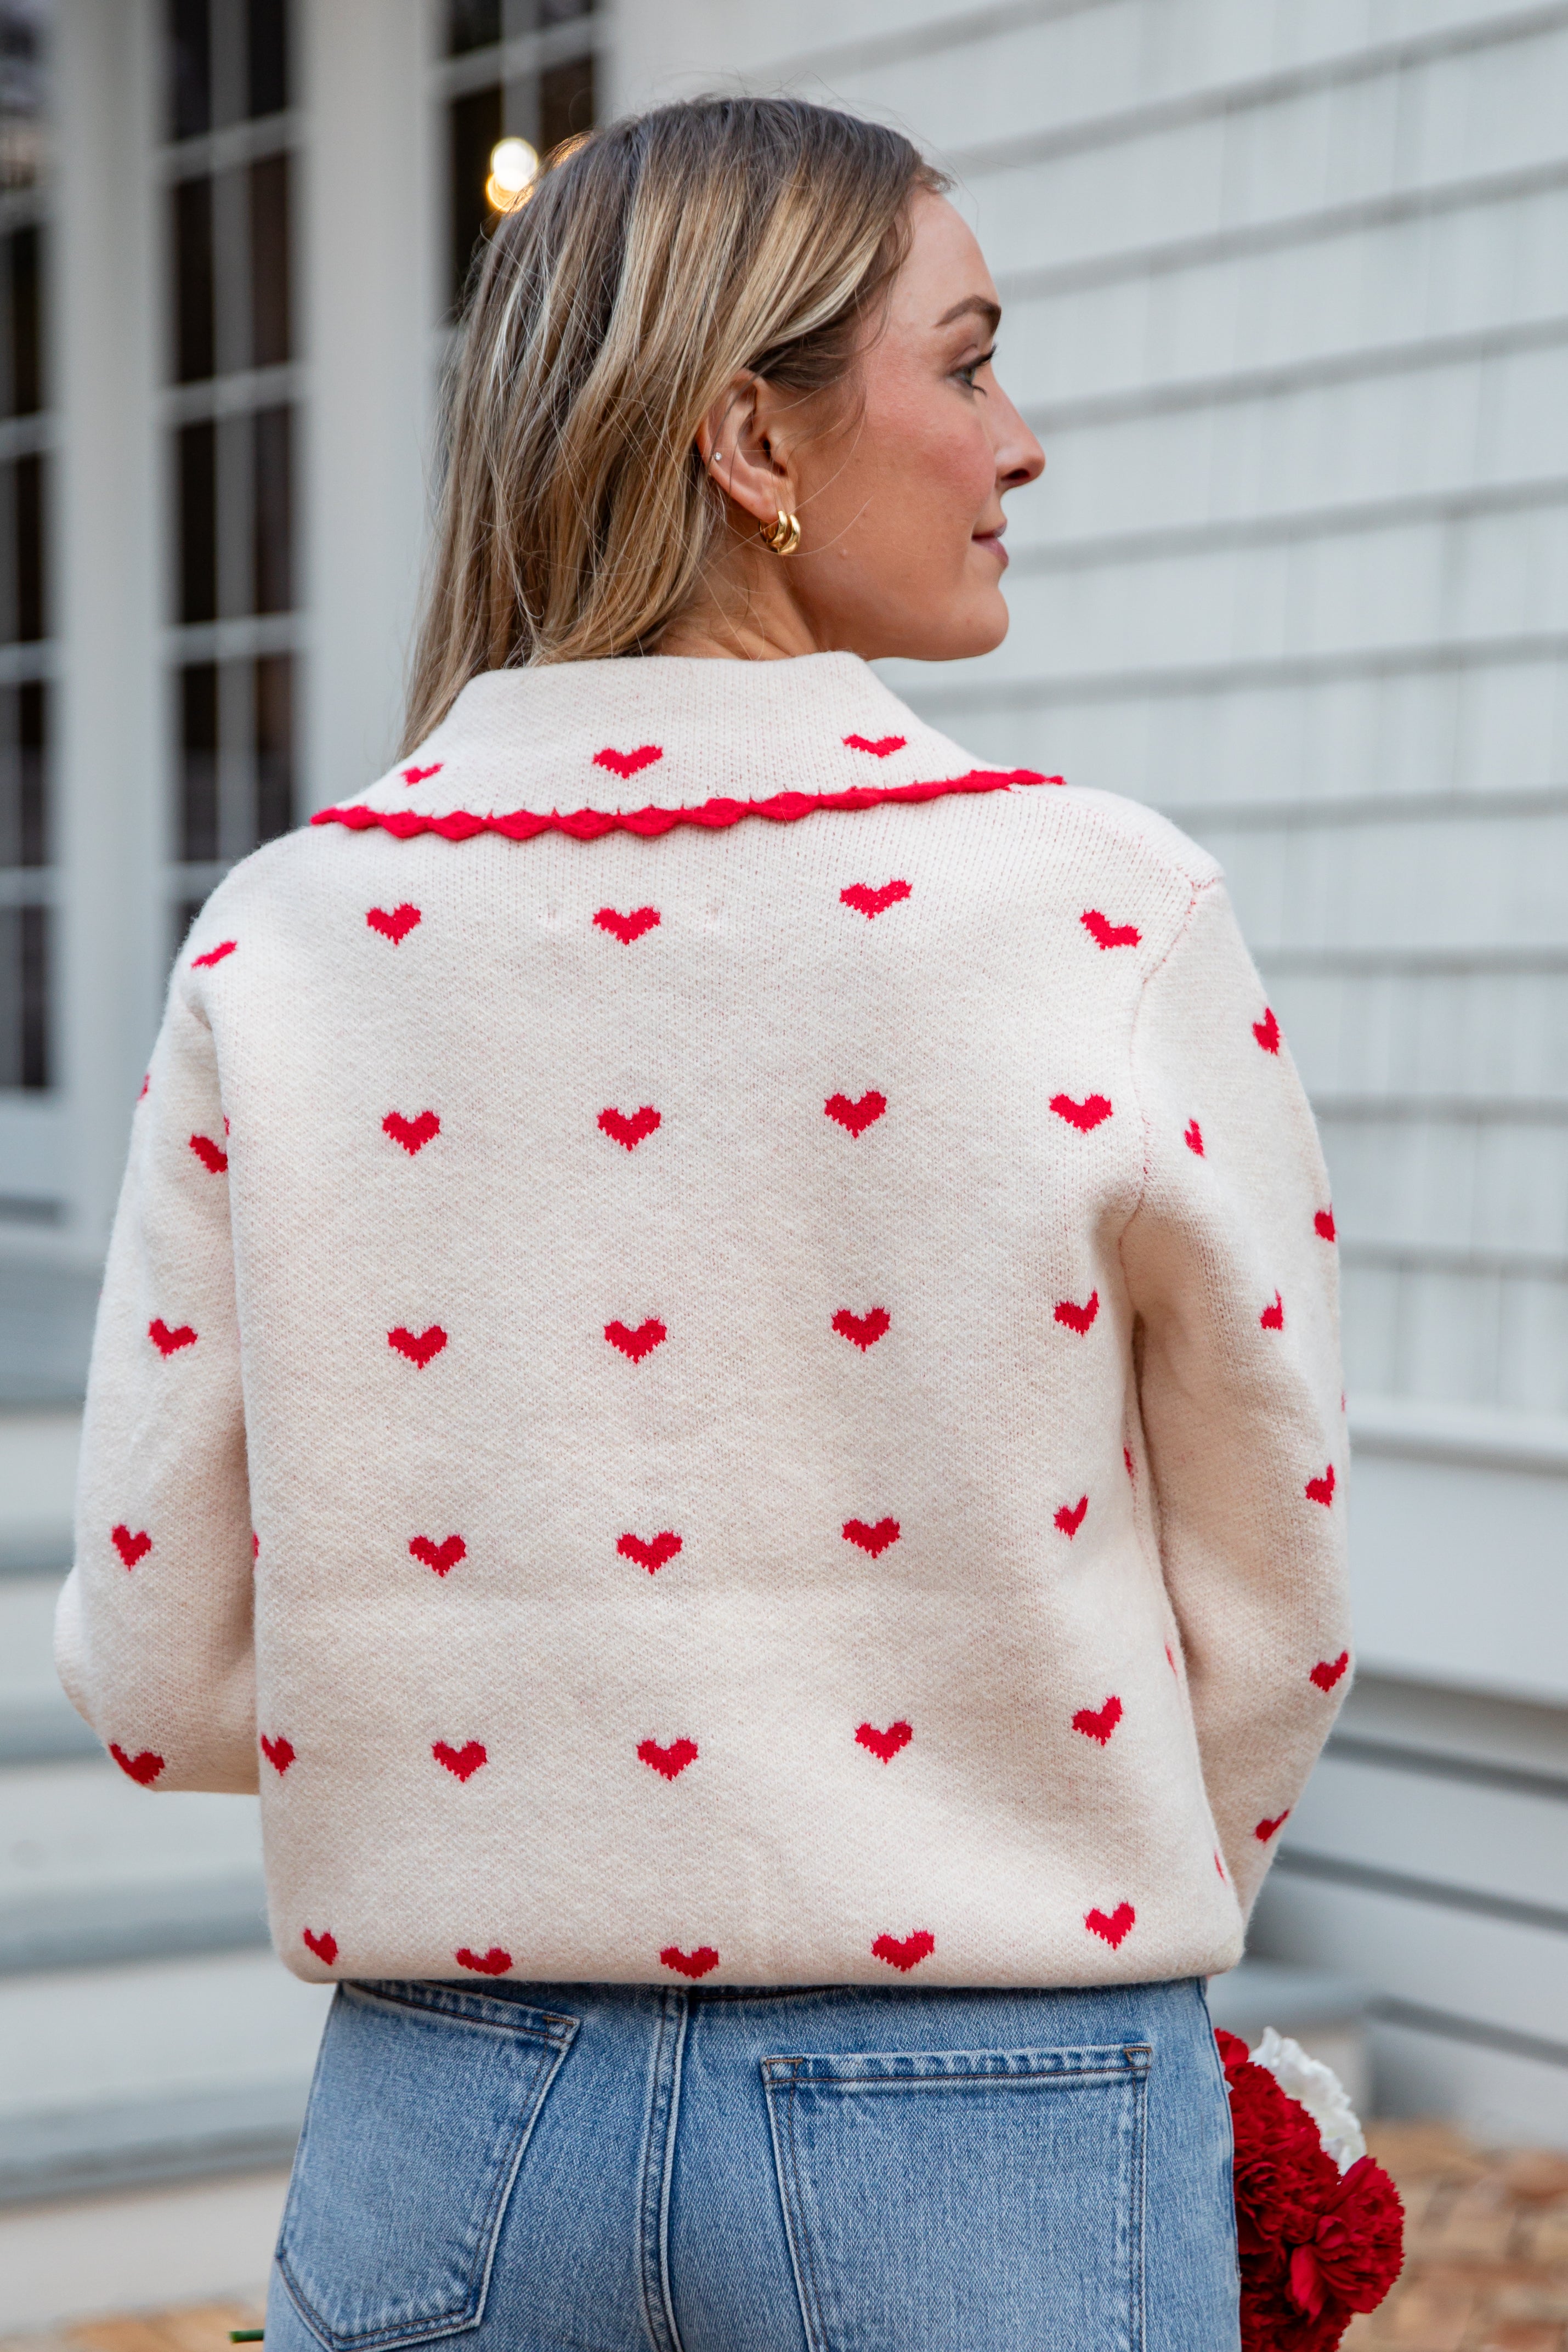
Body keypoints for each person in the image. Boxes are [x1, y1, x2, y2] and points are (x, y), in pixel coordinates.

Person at [57, 95, 1351, 2352]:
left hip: (450, 2114)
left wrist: (510, 1758)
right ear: (751, 436)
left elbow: (159, 1670)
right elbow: (1274, 1601)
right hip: (998, 2091)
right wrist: (1018, 1856)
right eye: (964, 362)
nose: (1016, 440)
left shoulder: (292, 938)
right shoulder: (1093, 912)